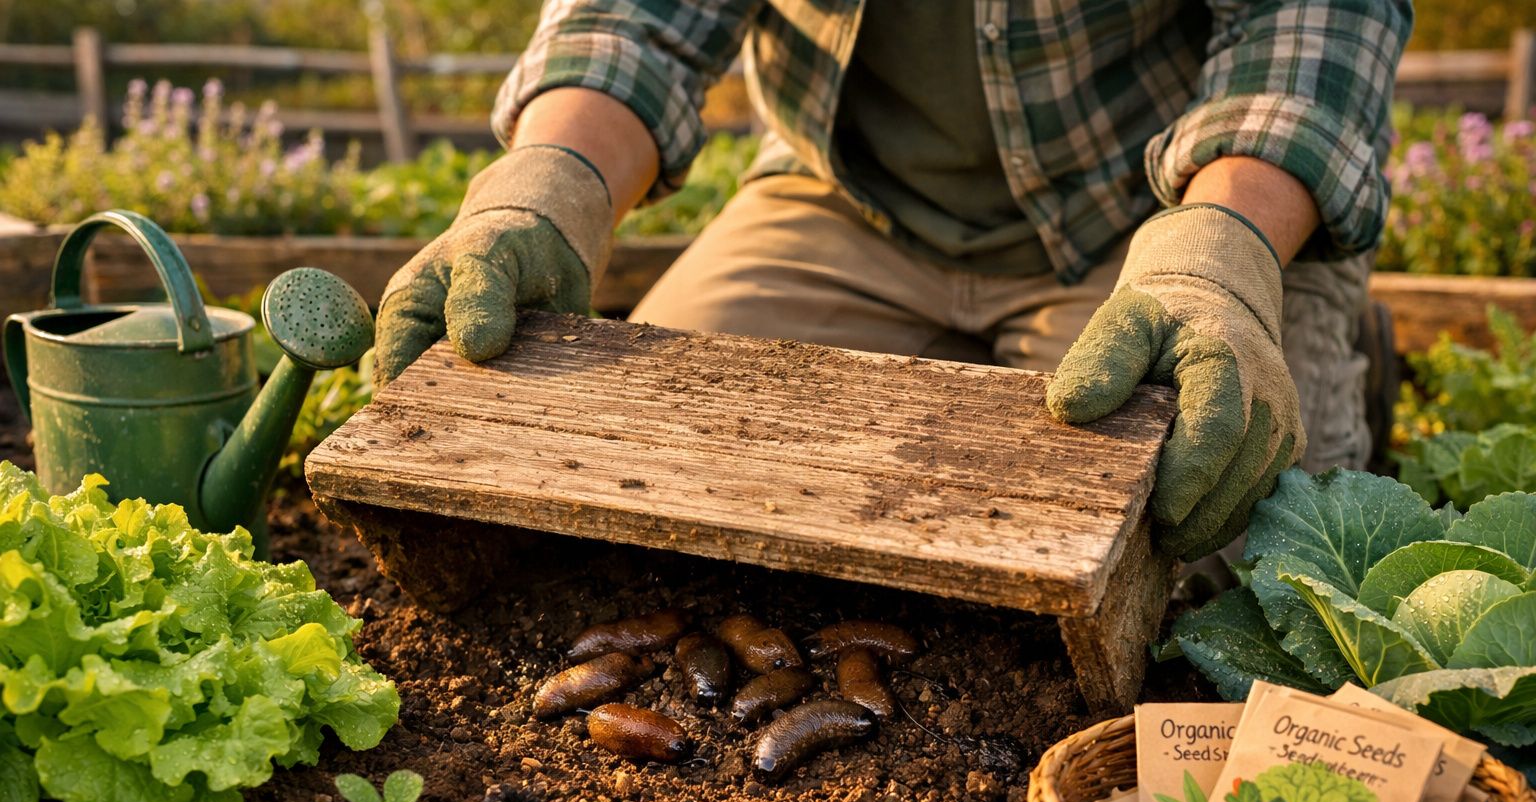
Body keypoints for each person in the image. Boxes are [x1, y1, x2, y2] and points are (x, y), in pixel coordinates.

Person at [375, 0, 1412, 563]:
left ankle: (1327, 341)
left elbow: (1307, 29)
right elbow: (637, 22)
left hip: (1164, 215)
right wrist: (544, 192)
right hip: (847, 203)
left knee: (1214, 561)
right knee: (626, 498)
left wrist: (1221, 262)